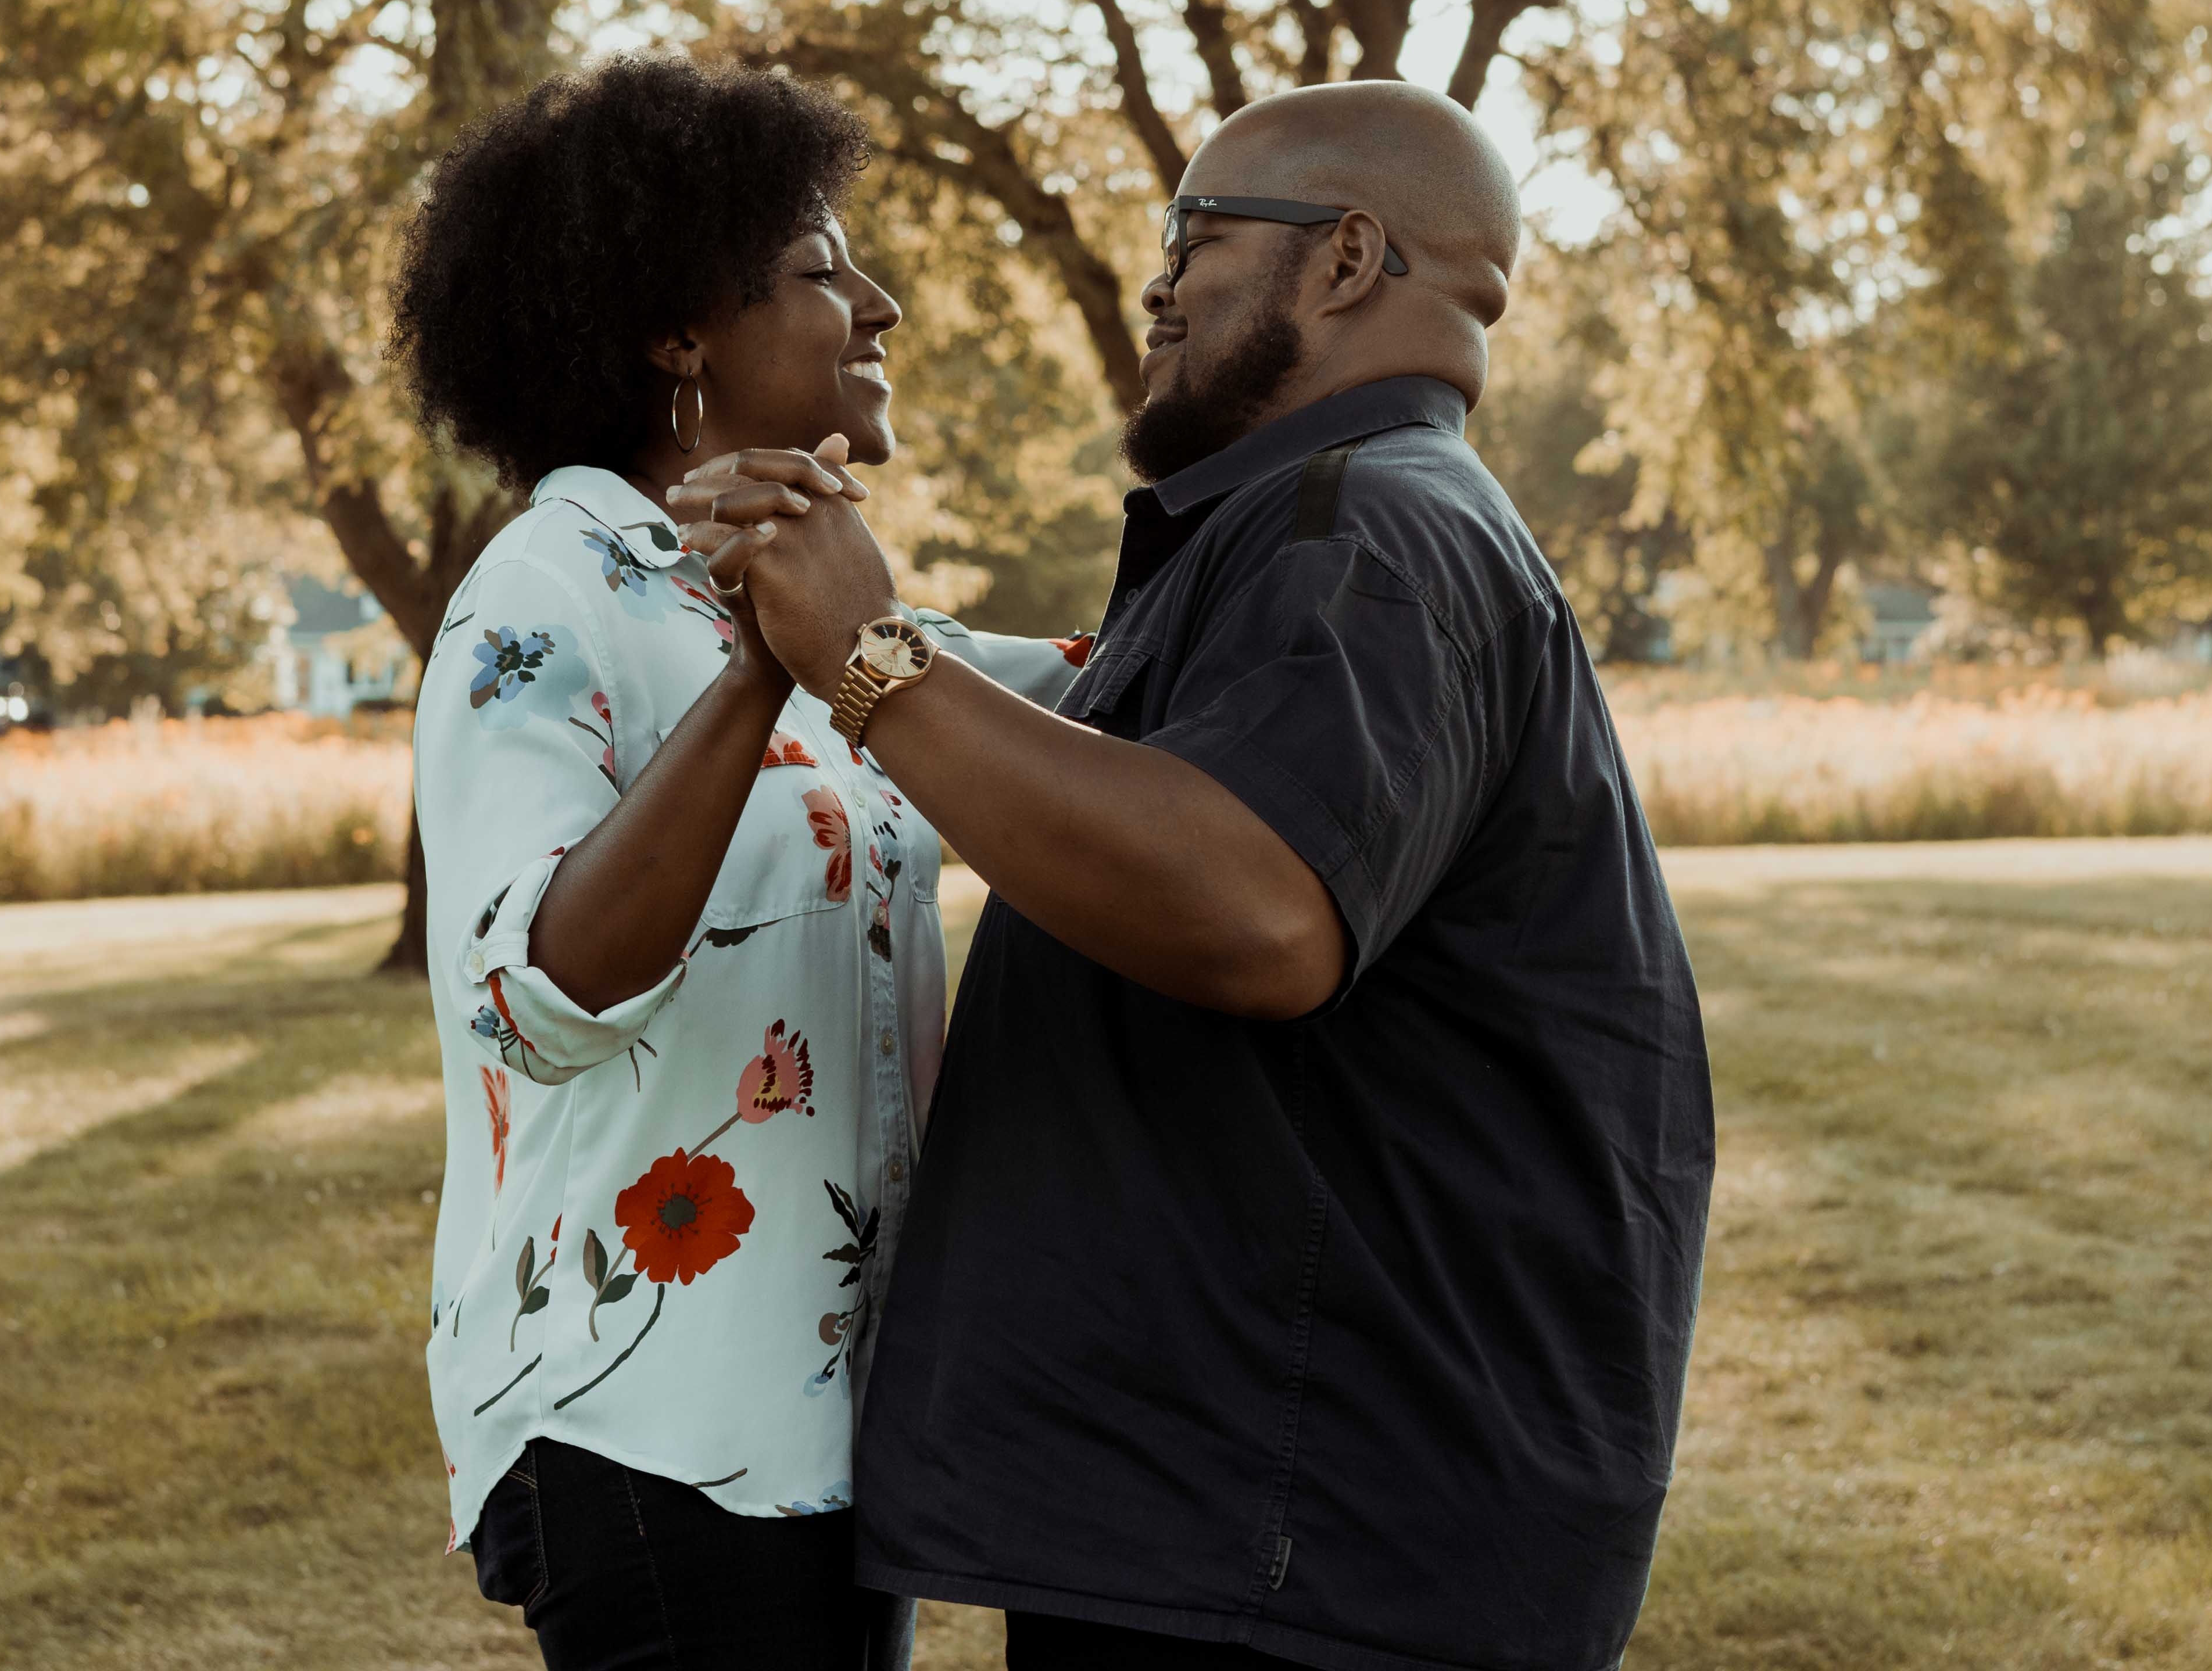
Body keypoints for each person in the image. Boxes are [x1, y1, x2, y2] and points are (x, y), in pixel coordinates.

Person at [674, 81, 1716, 1671]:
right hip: (1254, 1518)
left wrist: (874, 663)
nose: (1159, 282)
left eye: (1197, 234)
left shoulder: (1366, 532)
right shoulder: (1310, 529)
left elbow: (1256, 911)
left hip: (1307, 1539)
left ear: (1350, 260)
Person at [389, 55, 1083, 1671]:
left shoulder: (831, 615)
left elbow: (1078, 685)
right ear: (676, 334)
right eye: (824, 271)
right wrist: (769, 671)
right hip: (649, 1427)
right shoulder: (545, 598)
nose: (882, 303)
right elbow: (536, 992)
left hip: (844, 1417)